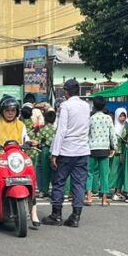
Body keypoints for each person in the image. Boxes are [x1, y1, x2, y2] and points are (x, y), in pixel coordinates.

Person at [0, 96, 41, 228]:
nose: (10, 113)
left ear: (17, 111)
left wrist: (30, 142)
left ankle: (34, 210)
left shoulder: (21, 126)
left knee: (32, 177)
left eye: (13, 110)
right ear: (2, 111)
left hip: (17, 161)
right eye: (7, 110)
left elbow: (25, 138)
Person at [44, 78, 90, 227]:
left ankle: (56, 214)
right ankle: (76, 216)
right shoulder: (86, 106)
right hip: (82, 149)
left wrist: (54, 153)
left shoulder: (65, 106)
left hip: (67, 150)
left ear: (66, 92)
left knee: (59, 182)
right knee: (79, 184)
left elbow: (61, 130)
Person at [86, 99, 117, 206]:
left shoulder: (91, 118)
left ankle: (89, 197)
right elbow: (112, 134)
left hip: (92, 148)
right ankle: (104, 199)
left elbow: (87, 134)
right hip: (104, 149)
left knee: (89, 173)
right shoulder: (108, 118)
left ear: (94, 106)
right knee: (104, 174)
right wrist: (114, 147)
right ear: (104, 106)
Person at [35, 110, 57, 198]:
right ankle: (55, 189)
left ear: (45, 119)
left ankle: (44, 190)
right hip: (54, 151)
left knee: (44, 171)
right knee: (54, 170)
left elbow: (39, 141)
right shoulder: (56, 129)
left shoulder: (43, 129)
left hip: (45, 149)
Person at [109, 107, 128, 200]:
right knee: (114, 171)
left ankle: (118, 190)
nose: (122, 118)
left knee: (120, 173)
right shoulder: (114, 128)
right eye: (120, 116)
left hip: (123, 153)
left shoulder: (126, 127)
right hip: (115, 154)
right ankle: (109, 190)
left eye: (124, 116)